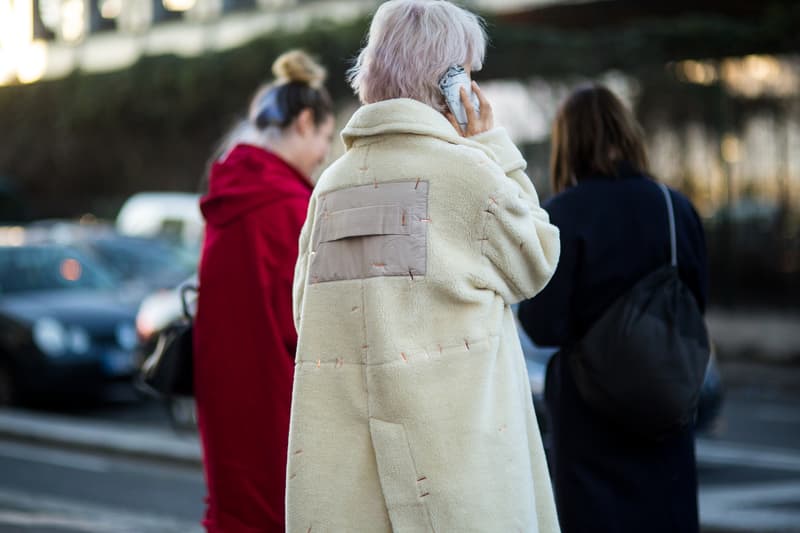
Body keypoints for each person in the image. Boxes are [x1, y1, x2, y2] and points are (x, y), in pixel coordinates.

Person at [286, 1, 561, 531]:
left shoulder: (332, 186)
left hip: (355, 484)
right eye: (470, 73)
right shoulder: (468, 174)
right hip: (457, 477)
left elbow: (308, 315)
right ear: (451, 80)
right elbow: (537, 259)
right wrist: (493, 147)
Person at [518, 85, 708, 533]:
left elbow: (542, 325)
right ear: (627, 131)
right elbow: (696, 300)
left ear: (569, 141)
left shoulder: (563, 214)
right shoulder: (676, 206)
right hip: (667, 399)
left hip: (590, 415)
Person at [193, 50, 335, 533]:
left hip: (222, 391)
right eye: (325, 138)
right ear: (304, 122)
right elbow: (309, 324)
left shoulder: (228, 192)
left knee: (237, 510)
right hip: (281, 398)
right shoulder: (292, 206)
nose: (324, 154)